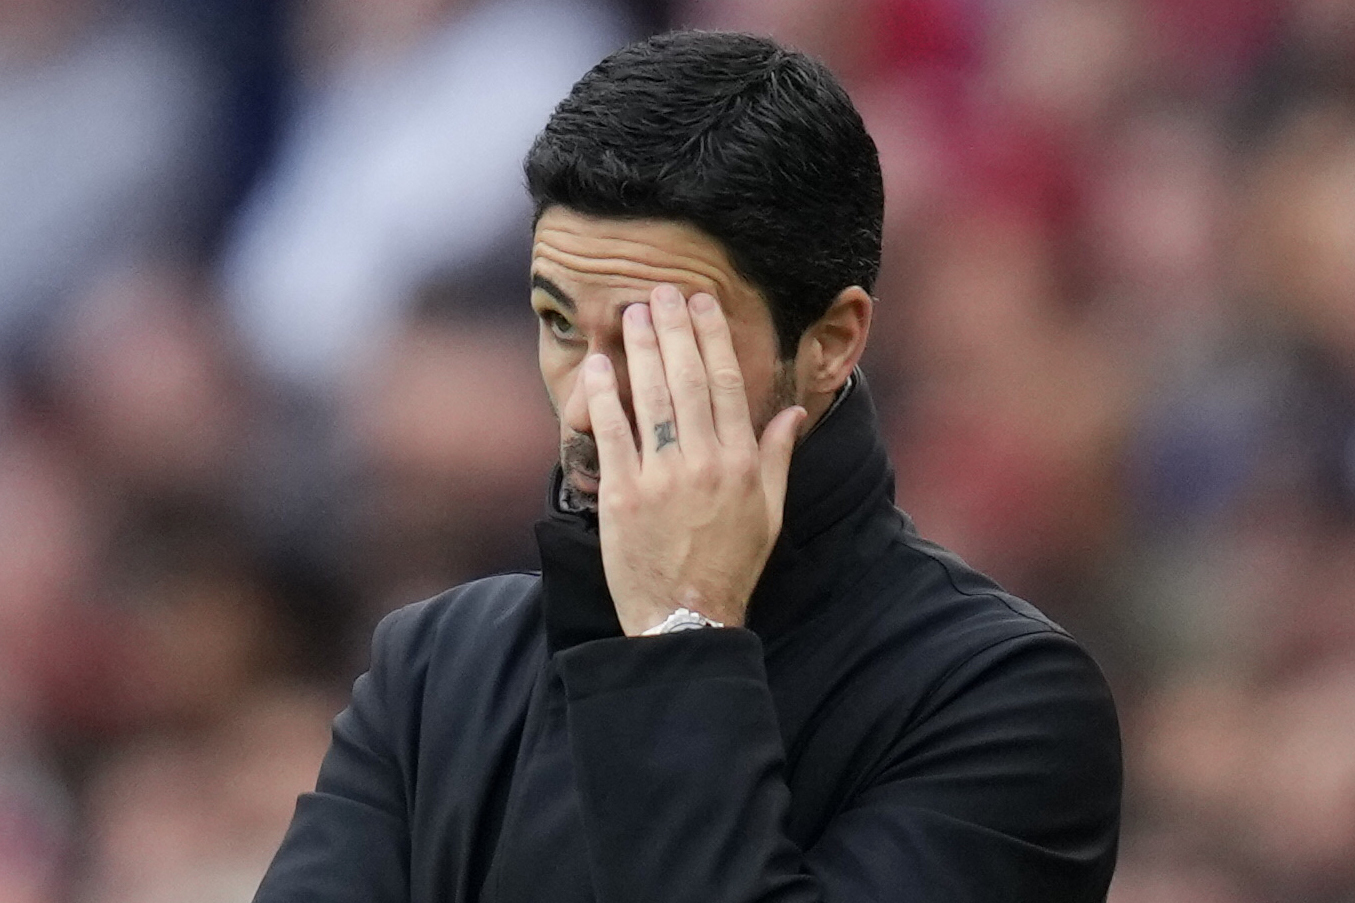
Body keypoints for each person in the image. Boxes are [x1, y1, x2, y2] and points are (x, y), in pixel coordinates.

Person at [253, 30, 1122, 903]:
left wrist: (679, 631)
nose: (588, 402)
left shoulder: (1000, 701)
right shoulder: (437, 667)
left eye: (657, 338)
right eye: (559, 324)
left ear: (830, 341)